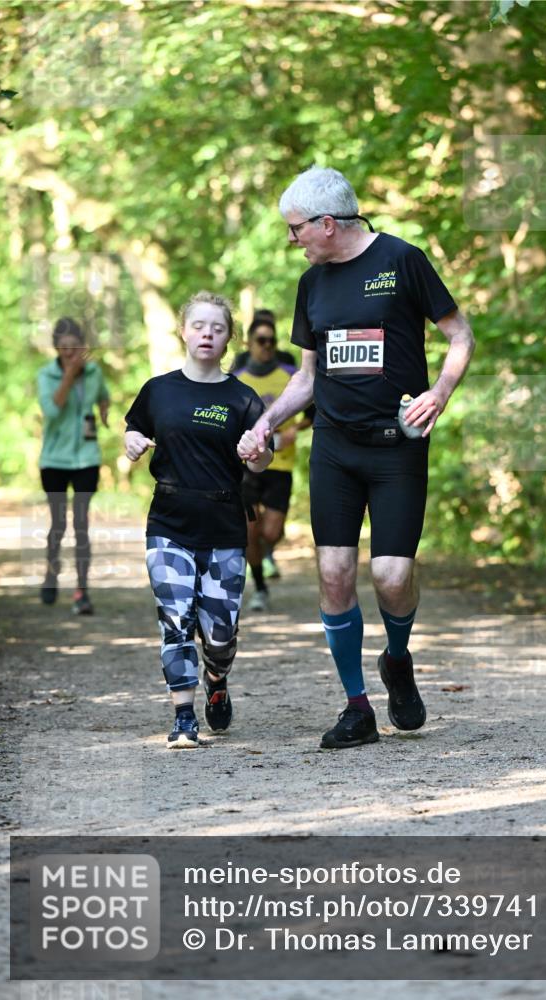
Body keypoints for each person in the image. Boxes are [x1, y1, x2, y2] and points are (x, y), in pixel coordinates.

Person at [246, 166, 475, 750]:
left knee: (391, 577)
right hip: (335, 449)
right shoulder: (311, 285)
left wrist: (439, 394)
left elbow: (460, 335)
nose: (291, 240)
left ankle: (397, 659)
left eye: (295, 229)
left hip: (397, 447)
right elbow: (308, 377)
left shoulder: (402, 260)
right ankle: (356, 707)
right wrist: (267, 421)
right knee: (334, 573)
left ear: (328, 223)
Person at [124, 291, 272, 749]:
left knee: (220, 632)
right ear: (184, 332)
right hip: (169, 521)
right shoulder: (159, 389)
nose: (207, 333)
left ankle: (217, 677)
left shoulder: (242, 397)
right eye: (199, 325)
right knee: (175, 618)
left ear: (229, 339)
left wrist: (259, 453)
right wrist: (130, 442)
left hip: (225, 525)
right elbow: (134, 427)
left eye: (218, 328)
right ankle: (183, 717)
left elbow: (263, 459)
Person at [234, 312, 312, 611]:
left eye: (271, 341)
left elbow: (312, 414)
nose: (266, 346)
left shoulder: (291, 373)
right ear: (249, 343)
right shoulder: (237, 379)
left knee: (271, 532)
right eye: (261, 340)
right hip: (247, 467)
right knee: (250, 529)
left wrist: (294, 431)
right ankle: (260, 587)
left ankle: (268, 552)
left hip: (281, 465)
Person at [37, 317, 110, 614]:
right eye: (63, 348)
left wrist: (104, 413)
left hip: (86, 459)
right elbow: (52, 411)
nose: (69, 353)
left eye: (74, 347)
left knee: (81, 524)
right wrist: (69, 375)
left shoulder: (94, 372)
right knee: (58, 523)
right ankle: (51, 573)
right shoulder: (46, 375)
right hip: (54, 460)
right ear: (56, 348)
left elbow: (103, 396)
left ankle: (82, 592)